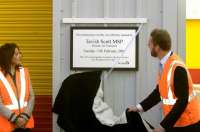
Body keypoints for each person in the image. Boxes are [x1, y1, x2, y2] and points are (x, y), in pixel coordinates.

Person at [128, 28, 200, 132]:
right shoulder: (164, 65)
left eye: (150, 43)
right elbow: (159, 92)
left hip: (188, 124)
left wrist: (163, 126)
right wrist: (139, 108)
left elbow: (182, 101)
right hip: (175, 122)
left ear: (157, 47)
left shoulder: (177, 67)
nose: (148, 46)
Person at [0, 43, 35, 132]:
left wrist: (25, 117)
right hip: (7, 125)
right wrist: (15, 119)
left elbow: (32, 97)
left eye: (20, 53)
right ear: (8, 56)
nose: (20, 55)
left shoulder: (24, 72)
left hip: (25, 124)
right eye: (16, 54)